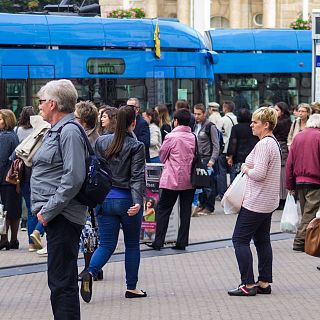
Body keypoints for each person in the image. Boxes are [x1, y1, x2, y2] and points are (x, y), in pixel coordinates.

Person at [31, 79, 87, 319]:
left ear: (53, 104)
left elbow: (74, 178)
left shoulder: (70, 131)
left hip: (63, 216)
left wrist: (47, 211)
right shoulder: (56, 129)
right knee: (59, 281)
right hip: (58, 217)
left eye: (42, 101)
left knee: (62, 283)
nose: (39, 106)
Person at [81, 105, 146, 303]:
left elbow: (95, 171)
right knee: (132, 244)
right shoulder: (136, 146)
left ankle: (90, 272)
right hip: (127, 200)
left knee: (107, 244)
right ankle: (131, 287)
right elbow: (136, 178)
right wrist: (137, 201)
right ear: (133, 123)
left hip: (104, 199)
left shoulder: (101, 141)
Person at [228, 107, 281, 296]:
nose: (251, 125)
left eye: (255, 122)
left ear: (265, 125)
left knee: (239, 240)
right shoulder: (272, 143)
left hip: (256, 201)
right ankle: (264, 282)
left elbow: (258, 174)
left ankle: (248, 284)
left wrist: (245, 169)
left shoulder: (264, 144)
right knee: (262, 240)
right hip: (268, 201)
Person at [147, 108, 196, 250]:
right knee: (185, 211)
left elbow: (162, 156)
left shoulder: (171, 137)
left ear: (176, 121)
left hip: (171, 179)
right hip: (189, 180)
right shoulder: (193, 136)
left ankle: (159, 242)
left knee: (164, 210)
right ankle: (182, 242)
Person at [74, 100, 102, 281]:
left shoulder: (88, 138)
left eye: (75, 117)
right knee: (90, 230)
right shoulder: (93, 136)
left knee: (89, 231)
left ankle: (90, 268)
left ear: (83, 120)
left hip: (88, 191)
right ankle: (93, 267)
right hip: (90, 190)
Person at [286, 114, 320, 253]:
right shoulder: (318, 136)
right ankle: (300, 242)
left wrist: (289, 184)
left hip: (300, 181)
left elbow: (290, 162)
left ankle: (307, 240)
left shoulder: (298, 136)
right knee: (309, 213)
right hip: (315, 181)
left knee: (306, 211)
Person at [192, 103, 220, 215]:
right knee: (200, 184)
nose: (196, 116)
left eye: (199, 114)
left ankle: (209, 207)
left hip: (207, 158)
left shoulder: (210, 126)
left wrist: (212, 160)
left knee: (208, 184)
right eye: (195, 114)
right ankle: (202, 204)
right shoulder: (195, 125)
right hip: (198, 158)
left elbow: (216, 144)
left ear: (204, 113)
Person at [0, 109, 21, 250]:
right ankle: (14, 239)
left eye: (0, 119)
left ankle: (3, 239)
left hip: (4, 178)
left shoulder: (4, 137)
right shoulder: (13, 135)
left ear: (6, 121)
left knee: (5, 210)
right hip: (13, 178)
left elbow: (1, 159)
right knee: (14, 210)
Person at [14, 106, 35, 233]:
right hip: (35, 168)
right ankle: (35, 231)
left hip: (22, 170)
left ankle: (24, 220)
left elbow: (14, 152)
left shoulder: (17, 130)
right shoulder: (38, 130)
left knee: (25, 198)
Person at [226, 108, 259, 182]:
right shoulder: (253, 126)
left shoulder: (236, 128)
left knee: (238, 179)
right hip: (253, 155)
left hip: (239, 156)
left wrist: (230, 156)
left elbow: (233, 142)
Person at [216, 101, 238, 198]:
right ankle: (233, 193)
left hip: (223, 149)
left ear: (225, 108)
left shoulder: (222, 120)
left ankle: (223, 194)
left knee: (222, 172)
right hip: (234, 150)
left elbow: (217, 133)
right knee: (233, 172)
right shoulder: (237, 119)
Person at [273, 102, 292, 210]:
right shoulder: (288, 121)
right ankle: (282, 198)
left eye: (277, 110)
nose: (275, 112)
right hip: (283, 147)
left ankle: (281, 199)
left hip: (281, 147)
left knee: (281, 174)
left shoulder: (280, 123)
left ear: (282, 111)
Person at [127, 97, 150, 162]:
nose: (127, 109)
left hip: (140, 160)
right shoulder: (126, 121)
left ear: (137, 109)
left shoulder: (142, 123)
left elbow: (145, 143)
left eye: (130, 107)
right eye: (126, 106)